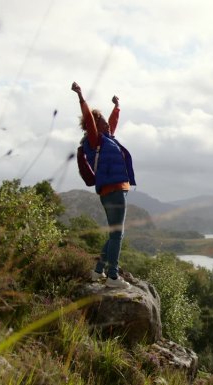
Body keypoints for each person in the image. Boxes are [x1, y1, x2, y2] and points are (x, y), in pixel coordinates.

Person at [71, 81, 135, 288]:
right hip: (113, 190)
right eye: (102, 123)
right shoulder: (94, 141)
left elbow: (112, 123)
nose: (107, 125)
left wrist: (116, 107)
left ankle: (97, 271)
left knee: (114, 233)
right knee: (118, 234)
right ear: (94, 126)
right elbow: (90, 119)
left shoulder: (107, 139)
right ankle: (112, 277)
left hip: (116, 190)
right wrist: (81, 97)